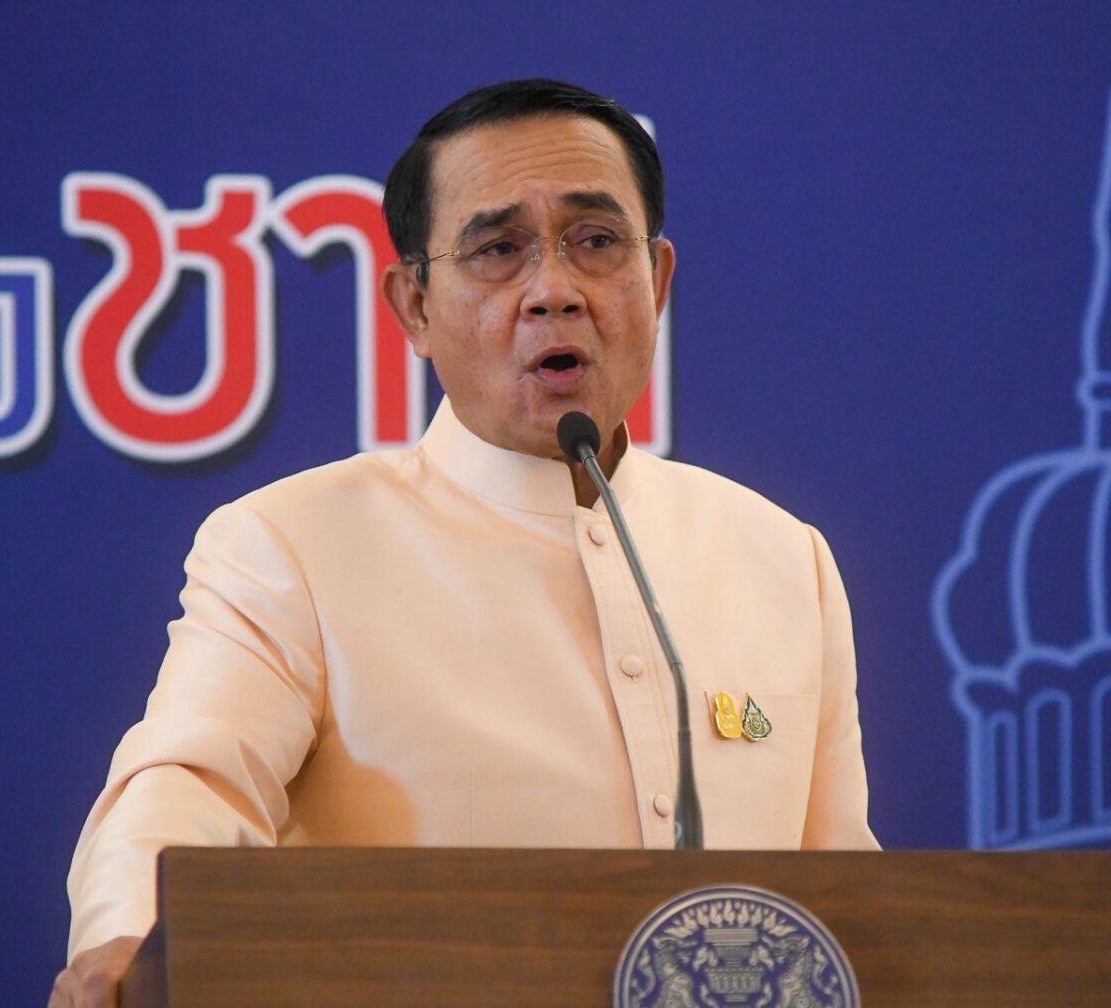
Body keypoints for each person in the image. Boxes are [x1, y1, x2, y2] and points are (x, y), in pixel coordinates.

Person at [47, 78, 879, 1008]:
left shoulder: (781, 558)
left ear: (658, 281)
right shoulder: (295, 546)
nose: (554, 291)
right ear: (413, 307)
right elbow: (188, 785)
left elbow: (847, 904)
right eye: (497, 250)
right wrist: (129, 942)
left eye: (596, 242)